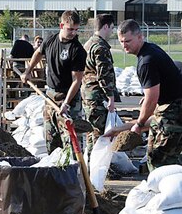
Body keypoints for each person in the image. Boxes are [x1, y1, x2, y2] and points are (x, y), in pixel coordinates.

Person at [117, 19, 182, 171]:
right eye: (121, 41)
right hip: (179, 105)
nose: (124, 45)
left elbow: (152, 99)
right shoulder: (150, 50)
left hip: (173, 109)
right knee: (171, 156)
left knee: (158, 159)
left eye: (128, 41)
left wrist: (139, 124)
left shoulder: (146, 61)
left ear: (140, 37)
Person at [22, 10, 87, 154]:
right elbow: (38, 53)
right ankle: (54, 170)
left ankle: (74, 171)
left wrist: (66, 104)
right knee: (51, 136)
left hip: (69, 97)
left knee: (70, 139)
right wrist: (28, 71)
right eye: (70, 29)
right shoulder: (50, 40)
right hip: (50, 95)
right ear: (61, 25)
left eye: (76, 30)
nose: (73, 33)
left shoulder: (77, 50)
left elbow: (77, 81)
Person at [82, 13, 116, 158]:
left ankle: (88, 167)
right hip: (97, 96)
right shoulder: (100, 47)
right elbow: (103, 75)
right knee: (98, 134)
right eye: (112, 28)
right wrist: (110, 97)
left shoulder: (88, 44)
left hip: (87, 93)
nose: (112, 32)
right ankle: (94, 168)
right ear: (106, 26)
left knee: (91, 132)